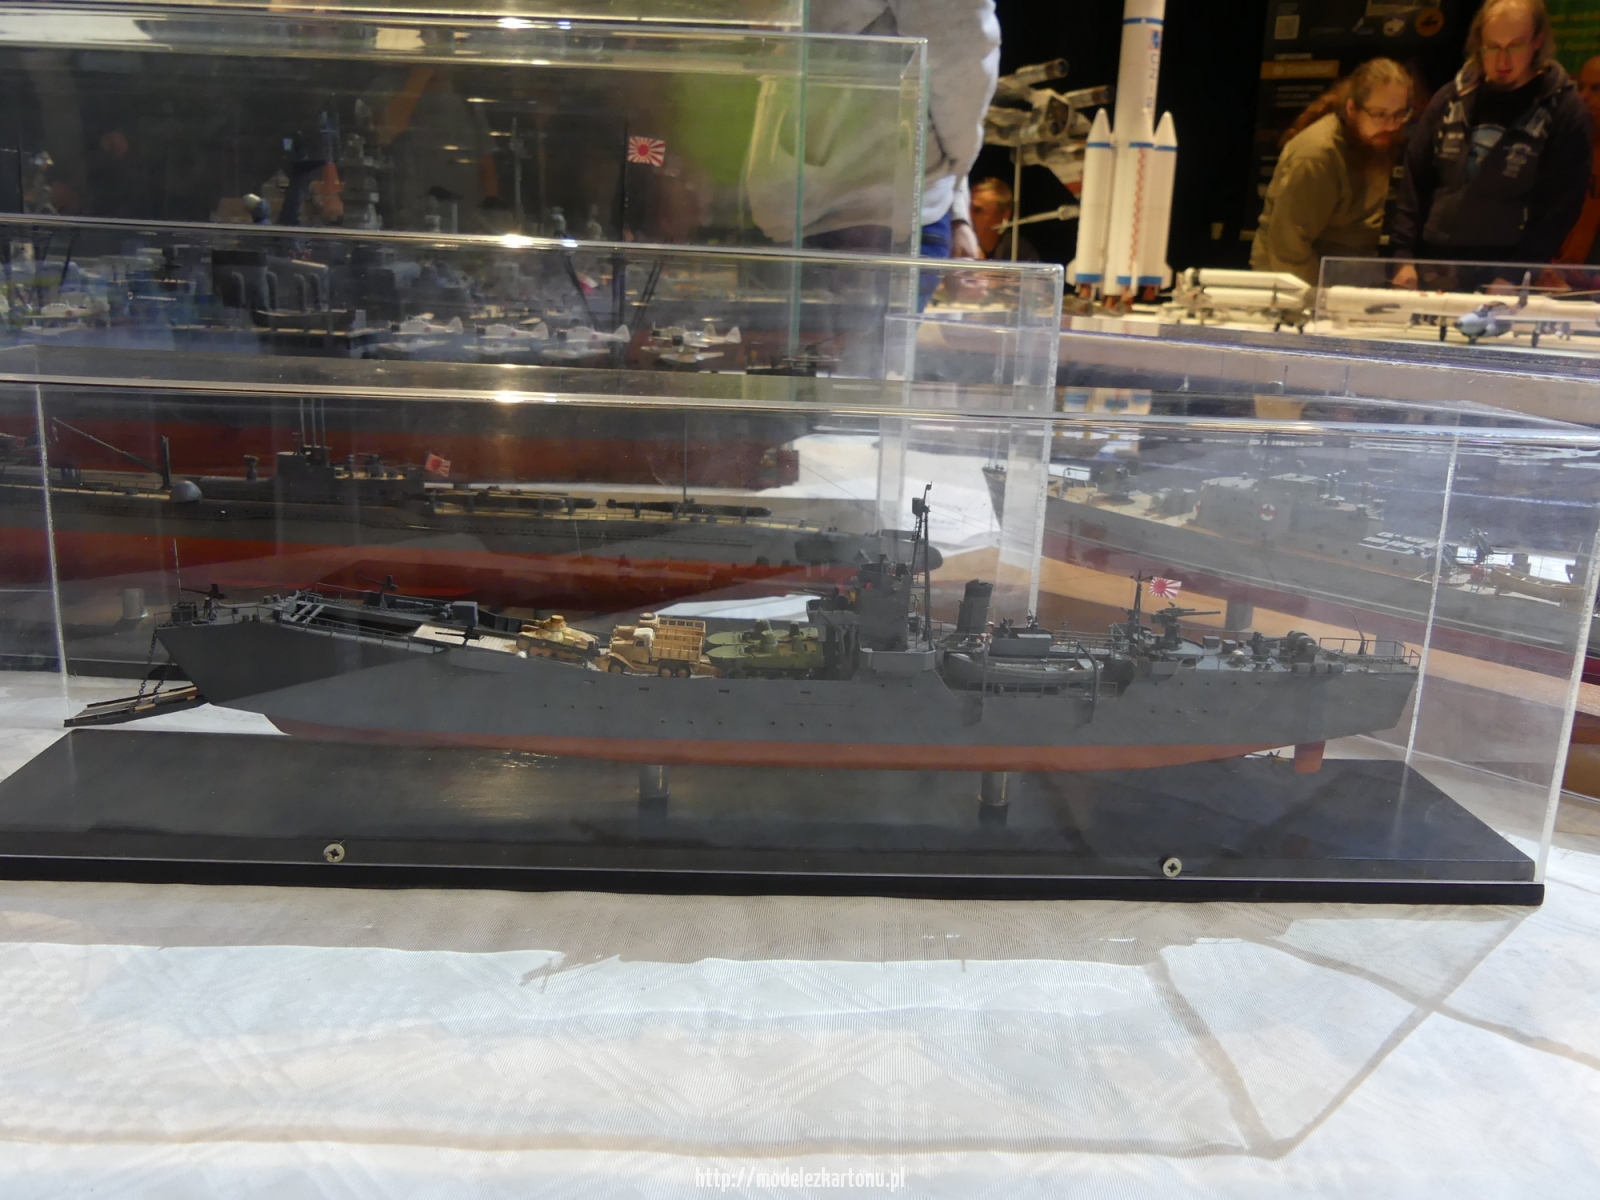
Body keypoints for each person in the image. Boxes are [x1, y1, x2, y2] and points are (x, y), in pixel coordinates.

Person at [748, 1, 1000, 260]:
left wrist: (957, 197)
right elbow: (959, 67)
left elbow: (957, 51)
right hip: (878, 200)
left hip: (853, 201)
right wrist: (955, 178)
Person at [1391, 0, 1592, 287]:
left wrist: (1515, 274)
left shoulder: (1563, 110)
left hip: (1505, 269)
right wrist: (1402, 256)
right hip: (1433, 265)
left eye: (1515, 46)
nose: (1502, 61)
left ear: (1537, 42)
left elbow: (1561, 206)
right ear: (1478, 44)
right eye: (1492, 47)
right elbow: (1414, 182)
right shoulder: (1451, 98)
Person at [1250, 57, 1416, 286]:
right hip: (1295, 285)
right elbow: (1289, 249)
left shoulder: (1374, 140)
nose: (1392, 125)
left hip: (1343, 281)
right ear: (1351, 109)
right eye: (1380, 114)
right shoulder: (1318, 155)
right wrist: (1319, 300)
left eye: (1400, 113)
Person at [1556, 54, 1600, 263]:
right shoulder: (1567, 146)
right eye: (1580, 87)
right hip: (1554, 273)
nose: (1583, 97)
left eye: (1596, 89)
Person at [969, 176, 1041, 260]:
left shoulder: (1021, 254)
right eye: (967, 208)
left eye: (978, 211)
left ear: (1004, 216)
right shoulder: (959, 242)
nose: (969, 216)